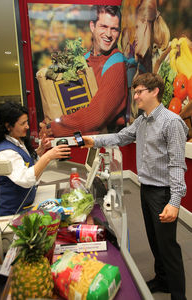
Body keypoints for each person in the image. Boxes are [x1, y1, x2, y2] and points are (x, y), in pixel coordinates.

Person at [79, 73, 188, 300]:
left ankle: (179, 295)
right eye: (135, 92)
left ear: (154, 91)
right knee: (154, 241)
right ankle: (162, 280)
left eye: (139, 91)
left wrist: (174, 202)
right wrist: (94, 140)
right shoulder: (141, 121)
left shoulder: (172, 122)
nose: (135, 96)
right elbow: (121, 137)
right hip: (146, 189)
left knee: (168, 248)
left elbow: (177, 165)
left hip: (163, 192)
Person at [39, 5, 128, 137]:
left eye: (114, 29)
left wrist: (54, 127)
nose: (109, 34)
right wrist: (49, 122)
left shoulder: (116, 64)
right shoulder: (83, 59)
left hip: (105, 143)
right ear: (92, 26)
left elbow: (96, 117)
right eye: (103, 26)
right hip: (81, 138)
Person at [0, 102, 71, 216]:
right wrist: (48, 156)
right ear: (8, 126)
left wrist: (41, 150)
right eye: (23, 123)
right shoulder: (6, 152)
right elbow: (25, 179)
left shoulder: (17, 141)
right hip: (12, 213)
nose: (27, 126)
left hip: (25, 205)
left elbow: (28, 165)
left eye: (27, 122)